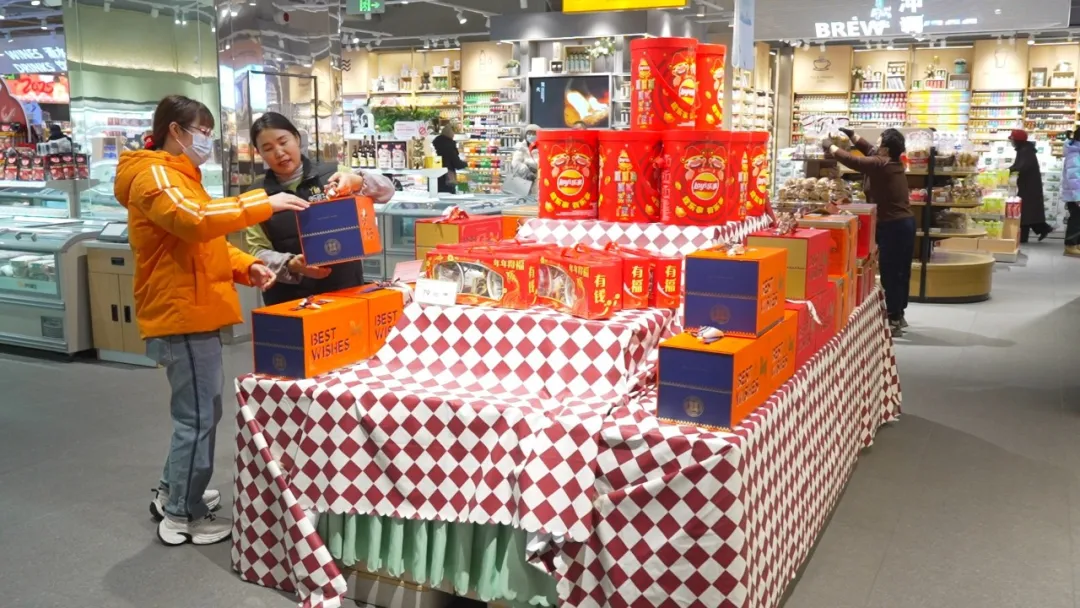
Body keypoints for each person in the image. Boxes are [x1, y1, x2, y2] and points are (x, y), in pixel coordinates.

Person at [113, 95, 309, 546]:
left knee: (199, 412)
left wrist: (246, 266)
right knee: (198, 417)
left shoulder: (179, 175)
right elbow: (196, 221)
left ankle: (174, 492)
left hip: (192, 307)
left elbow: (205, 243)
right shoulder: (156, 175)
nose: (206, 140)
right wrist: (265, 203)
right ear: (175, 130)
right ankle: (182, 516)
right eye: (202, 131)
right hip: (181, 312)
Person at [245, 112, 395, 305]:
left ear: (297, 138)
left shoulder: (333, 174)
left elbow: (387, 192)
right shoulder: (255, 196)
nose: (279, 152)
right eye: (268, 148)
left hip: (345, 291)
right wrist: (291, 264)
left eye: (283, 142)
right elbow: (257, 251)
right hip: (289, 301)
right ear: (259, 154)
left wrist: (357, 181)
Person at [827, 128, 915, 336]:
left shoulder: (881, 164)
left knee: (891, 272)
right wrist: (852, 135)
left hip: (893, 226)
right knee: (901, 271)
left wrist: (830, 147)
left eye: (879, 142)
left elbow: (854, 161)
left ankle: (893, 317)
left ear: (886, 149)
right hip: (904, 223)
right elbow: (869, 149)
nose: (876, 145)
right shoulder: (891, 161)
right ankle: (898, 313)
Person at [1009, 129, 1052, 243]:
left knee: (1025, 211)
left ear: (1017, 140)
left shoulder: (1025, 151)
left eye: (1012, 139)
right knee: (1030, 210)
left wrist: (1010, 170)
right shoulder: (1025, 149)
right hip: (1029, 185)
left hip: (1028, 186)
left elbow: (1022, 167)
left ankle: (1023, 237)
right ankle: (1043, 228)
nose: (1011, 142)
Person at [508, 124, 540, 197]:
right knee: (523, 199)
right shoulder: (521, 147)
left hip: (538, 181)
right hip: (523, 180)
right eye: (529, 133)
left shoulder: (542, 147)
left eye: (534, 133)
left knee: (536, 199)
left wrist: (528, 162)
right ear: (525, 135)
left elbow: (541, 163)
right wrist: (526, 171)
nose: (531, 136)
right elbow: (515, 163)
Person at [432, 123, 465, 194]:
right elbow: (457, 164)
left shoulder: (439, 143)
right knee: (448, 197)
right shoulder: (449, 146)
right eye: (453, 133)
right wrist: (466, 163)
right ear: (450, 133)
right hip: (447, 179)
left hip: (437, 178)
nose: (453, 135)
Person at [1063, 129, 1080, 257]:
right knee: (1076, 219)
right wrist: (1078, 197)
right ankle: (1071, 245)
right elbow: (1073, 177)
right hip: (1076, 195)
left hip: (1076, 194)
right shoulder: (1075, 154)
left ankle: (1077, 244)